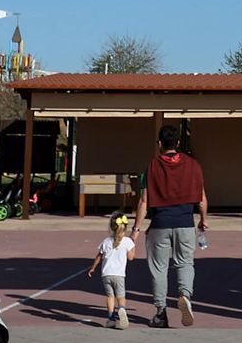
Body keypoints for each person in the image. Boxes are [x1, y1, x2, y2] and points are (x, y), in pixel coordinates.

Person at [133, 124, 207, 329]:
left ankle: (161, 312)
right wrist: (203, 219)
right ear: (178, 143)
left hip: (159, 225)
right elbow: (201, 198)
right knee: (185, 263)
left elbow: (144, 202)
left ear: (159, 144)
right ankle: (185, 295)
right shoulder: (194, 166)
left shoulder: (152, 166)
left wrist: (135, 231)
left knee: (159, 269)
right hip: (185, 223)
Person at [86, 214, 136, 328]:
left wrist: (93, 268)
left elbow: (99, 256)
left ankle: (111, 318)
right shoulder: (128, 241)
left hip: (106, 274)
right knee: (121, 296)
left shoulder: (106, 241)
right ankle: (122, 309)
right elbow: (131, 257)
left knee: (110, 296)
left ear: (112, 227)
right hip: (119, 275)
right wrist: (133, 247)